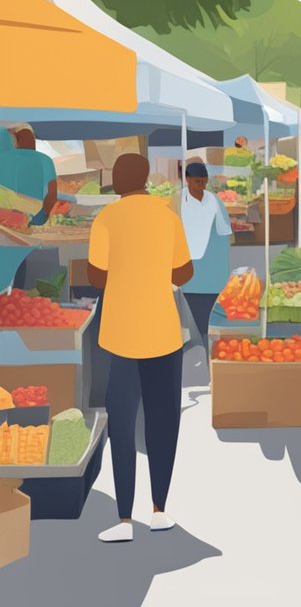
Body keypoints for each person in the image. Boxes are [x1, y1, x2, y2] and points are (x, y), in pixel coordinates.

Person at [89, 154, 195, 543]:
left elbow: (96, 276)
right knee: (162, 420)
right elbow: (184, 272)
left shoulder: (106, 219)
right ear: (146, 179)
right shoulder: (167, 215)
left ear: (118, 182)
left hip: (119, 335)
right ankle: (160, 510)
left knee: (122, 423)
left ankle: (122, 520)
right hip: (163, 333)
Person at [179, 162, 232, 355]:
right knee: (194, 309)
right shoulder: (178, 200)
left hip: (212, 270)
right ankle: (201, 343)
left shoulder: (214, 200)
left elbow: (225, 233)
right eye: (196, 182)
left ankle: (207, 345)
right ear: (188, 180)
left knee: (211, 311)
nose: (200, 186)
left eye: (203, 182)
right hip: (190, 270)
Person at [4, 123, 58, 226]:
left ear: (15, 140)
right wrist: (38, 220)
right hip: (31, 217)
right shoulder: (45, 160)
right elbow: (51, 198)